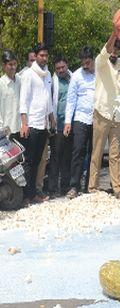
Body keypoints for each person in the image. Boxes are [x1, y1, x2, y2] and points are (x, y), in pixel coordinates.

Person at [88, 30, 120, 199]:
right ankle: (92, 187)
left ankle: (117, 188)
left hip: (117, 116)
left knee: (115, 154)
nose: (114, 53)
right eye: (112, 49)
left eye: (117, 50)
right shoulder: (100, 62)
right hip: (101, 113)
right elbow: (105, 51)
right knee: (97, 152)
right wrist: (114, 33)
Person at [20, 43, 55, 203]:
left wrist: (51, 118)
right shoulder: (28, 74)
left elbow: (48, 99)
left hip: (43, 124)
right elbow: (24, 100)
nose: (44, 58)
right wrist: (24, 123)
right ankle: (27, 195)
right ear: (36, 56)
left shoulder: (47, 74)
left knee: (39, 161)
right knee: (29, 162)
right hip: (32, 124)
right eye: (41, 55)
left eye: (46, 55)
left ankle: (34, 193)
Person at [64, 46, 95, 199]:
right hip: (80, 119)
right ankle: (74, 186)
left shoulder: (100, 74)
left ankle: (90, 185)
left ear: (93, 60)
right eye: (83, 63)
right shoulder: (76, 76)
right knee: (78, 152)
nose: (85, 66)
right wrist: (67, 122)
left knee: (94, 153)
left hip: (96, 119)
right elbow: (71, 100)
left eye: (88, 63)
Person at [47, 55, 73, 197]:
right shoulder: (52, 82)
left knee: (67, 158)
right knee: (55, 158)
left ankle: (65, 187)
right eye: (58, 68)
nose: (61, 70)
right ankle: (51, 189)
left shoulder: (74, 79)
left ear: (67, 65)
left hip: (71, 125)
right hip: (57, 125)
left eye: (63, 67)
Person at [0, 50, 21, 139]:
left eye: (14, 64)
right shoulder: (1, 83)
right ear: (4, 66)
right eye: (10, 64)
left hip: (20, 129)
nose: (13, 67)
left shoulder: (20, 80)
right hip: (5, 131)